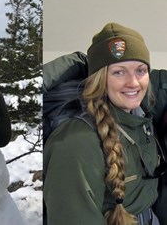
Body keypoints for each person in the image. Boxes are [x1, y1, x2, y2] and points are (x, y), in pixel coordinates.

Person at [44, 22, 166, 225]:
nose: (133, 82)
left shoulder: (142, 118)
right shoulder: (77, 142)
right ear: (100, 79)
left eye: (140, 70)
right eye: (119, 72)